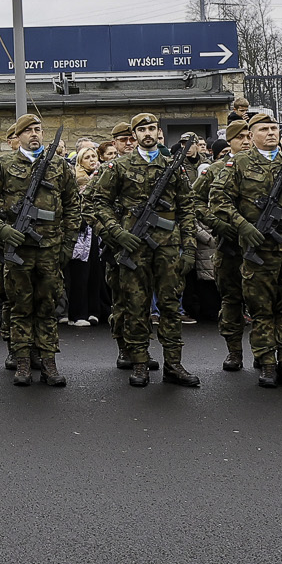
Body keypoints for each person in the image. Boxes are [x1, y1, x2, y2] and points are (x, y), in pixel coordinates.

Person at [208, 113, 282, 389]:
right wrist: (242, 226)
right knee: (262, 310)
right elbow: (218, 199)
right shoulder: (239, 163)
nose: (271, 133)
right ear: (251, 135)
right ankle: (267, 362)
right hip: (259, 250)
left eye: (274, 128)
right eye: (264, 129)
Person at [89, 112, 200, 388]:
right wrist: (116, 232)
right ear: (134, 135)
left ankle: (173, 364)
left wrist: (189, 247)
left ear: (158, 132)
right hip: (134, 246)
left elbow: (187, 208)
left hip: (168, 246)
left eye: (151, 128)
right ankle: (139, 362)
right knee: (136, 306)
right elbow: (99, 202)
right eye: (142, 130)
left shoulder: (173, 166)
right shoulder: (119, 167)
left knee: (170, 305)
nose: (147, 133)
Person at [0, 113, 78, 387]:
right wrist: (0, 229)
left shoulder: (58, 165)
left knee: (48, 306)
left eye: (38, 129)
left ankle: (48, 361)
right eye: (28, 130)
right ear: (17, 136)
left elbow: (73, 205)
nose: (34, 134)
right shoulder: (5, 165)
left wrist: (68, 242)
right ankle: (22, 360)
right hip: (19, 249)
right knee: (20, 306)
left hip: (49, 248)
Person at [205, 119, 254, 368]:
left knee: (261, 302)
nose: (245, 141)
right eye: (239, 137)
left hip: (258, 245)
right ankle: (234, 352)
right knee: (232, 301)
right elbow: (195, 200)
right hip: (231, 246)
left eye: (248, 136)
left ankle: (264, 353)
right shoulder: (216, 169)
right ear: (230, 141)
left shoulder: (261, 165)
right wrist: (217, 223)